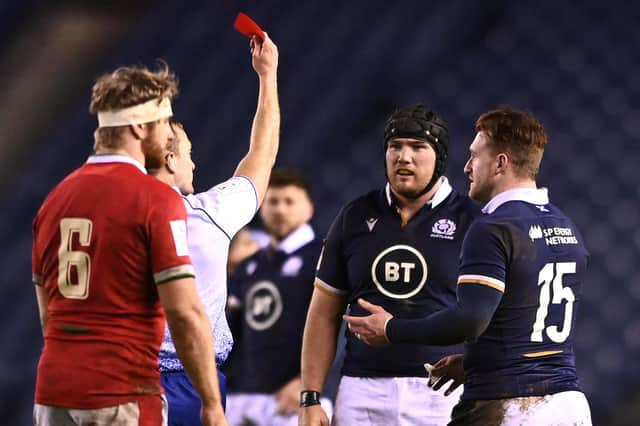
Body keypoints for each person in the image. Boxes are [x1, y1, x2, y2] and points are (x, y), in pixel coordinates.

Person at [344, 106, 592, 425]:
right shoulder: (565, 226)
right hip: (568, 406)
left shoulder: (493, 227)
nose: (467, 168)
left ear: (500, 162)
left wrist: (392, 329)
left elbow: (470, 320)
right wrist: (475, 363)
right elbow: (526, 325)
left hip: (510, 406)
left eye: (475, 156)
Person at [32, 64, 226, 425]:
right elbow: (185, 313)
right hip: (122, 393)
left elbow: (48, 312)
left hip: (54, 391)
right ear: (140, 126)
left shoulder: (55, 199)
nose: (170, 134)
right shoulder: (155, 198)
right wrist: (212, 405)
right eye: (165, 123)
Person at [300, 105, 480, 426]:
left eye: (417, 147)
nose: (403, 157)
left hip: (442, 391)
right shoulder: (353, 215)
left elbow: (495, 314)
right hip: (361, 391)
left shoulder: (474, 221)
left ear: (439, 157)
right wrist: (311, 397)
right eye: (395, 146)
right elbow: (323, 313)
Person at [147, 33, 280, 426]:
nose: (194, 164)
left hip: (129, 379)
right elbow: (263, 154)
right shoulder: (210, 214)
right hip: (194, 384)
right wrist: (268, 76)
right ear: (170, 159)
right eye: (188, 154)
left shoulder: (115, 218)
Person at [224, 168, 333, 426]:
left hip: (298, 399)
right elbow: (232, 333)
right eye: (273, 201)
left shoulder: (325, 260)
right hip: (242, 397)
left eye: (289, 202)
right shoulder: (250, 265)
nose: (280, 209)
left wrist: (309, 385)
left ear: (309, 209)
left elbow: (338, 327)